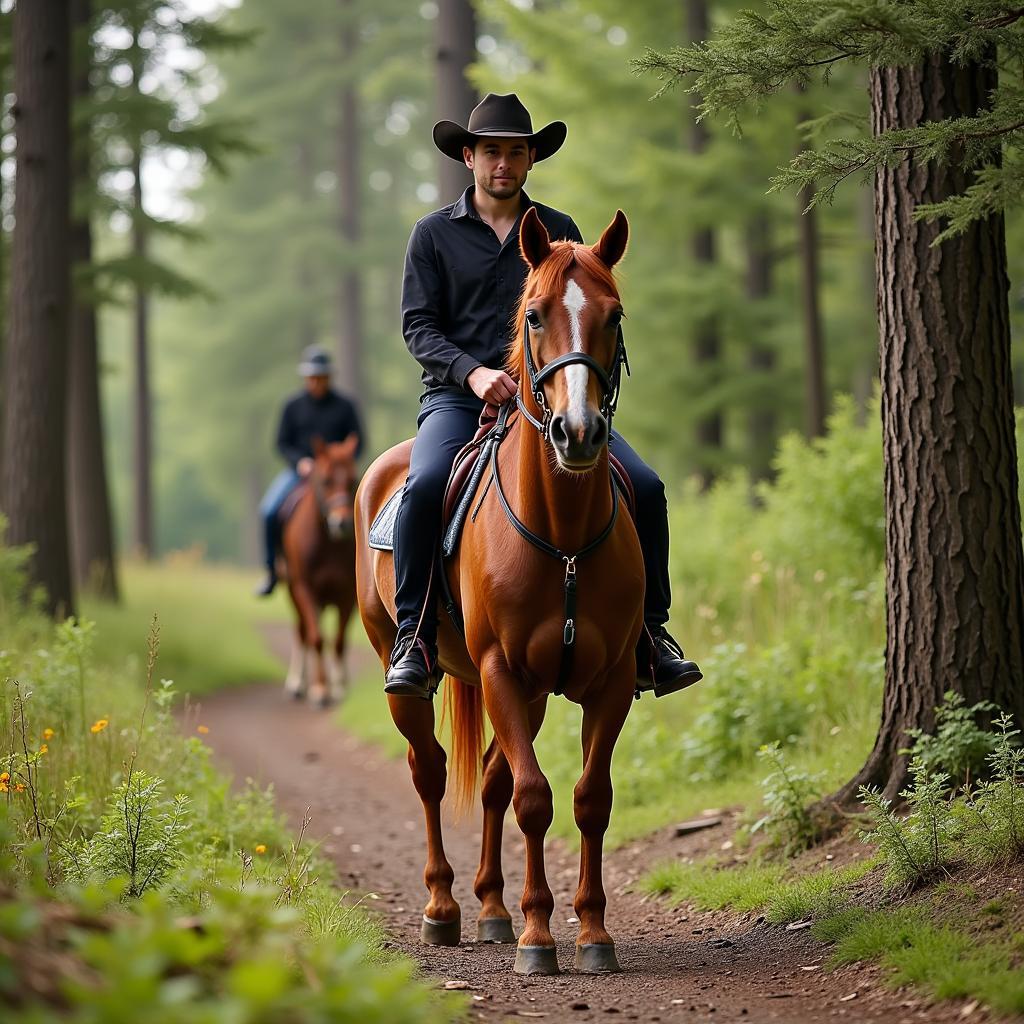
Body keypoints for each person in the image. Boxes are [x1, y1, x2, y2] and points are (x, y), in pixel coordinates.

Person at [386, 92, 702, 699]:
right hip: (459, 400)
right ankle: (415, 637)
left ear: (531, 160)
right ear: (469, 157)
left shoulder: (560, 231)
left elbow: (581, 320)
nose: (503, 163)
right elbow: (418, 327)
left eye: (516, 152)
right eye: (492, 152)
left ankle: (652, 637)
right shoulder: (432, 235)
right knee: (424, 486)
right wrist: (473, 373)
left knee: (649, 486)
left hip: (554, 399)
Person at [254, 345, 362, 597]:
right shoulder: (292, 406)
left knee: (368, 508)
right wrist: (300, 462)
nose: (317, 382)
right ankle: (272, 571)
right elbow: (281, 442)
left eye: (321, 377)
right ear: (306, 377)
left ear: (329, 377)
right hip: (300, 473)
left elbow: (359, 440)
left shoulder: (346, 406)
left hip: (337, 477)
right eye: (313, 377)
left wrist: (341, 462)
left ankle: (367, 569)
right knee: (269, 511)